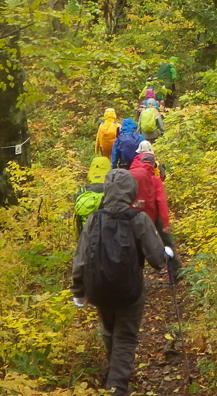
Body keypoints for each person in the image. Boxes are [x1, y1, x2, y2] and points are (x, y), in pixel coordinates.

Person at [71, 169, 170, 396]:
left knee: (108, 331)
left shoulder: (95, 218)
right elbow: (157, 260)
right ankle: (116, 387)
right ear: (131, 191)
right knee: (125, 337)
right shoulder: (139, 218)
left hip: (98, 288)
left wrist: (78, 289)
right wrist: (166, 254)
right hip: (129, 290)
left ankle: (114, 373)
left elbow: (81, 257)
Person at [129, 152, 180, 281]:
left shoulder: (129, 177)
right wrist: (165, 223)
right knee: (167, 243)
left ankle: (136, 279)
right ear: (153, 164)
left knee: (135, 248)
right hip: (153, 218)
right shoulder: (155, 180)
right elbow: (161, 202)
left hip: (133, 217)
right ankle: (175, 273)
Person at [74, 156, 110, 236]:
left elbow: (77, 220)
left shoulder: (82, 191)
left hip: (87, 235)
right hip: (106, 236)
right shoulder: (111, 190)